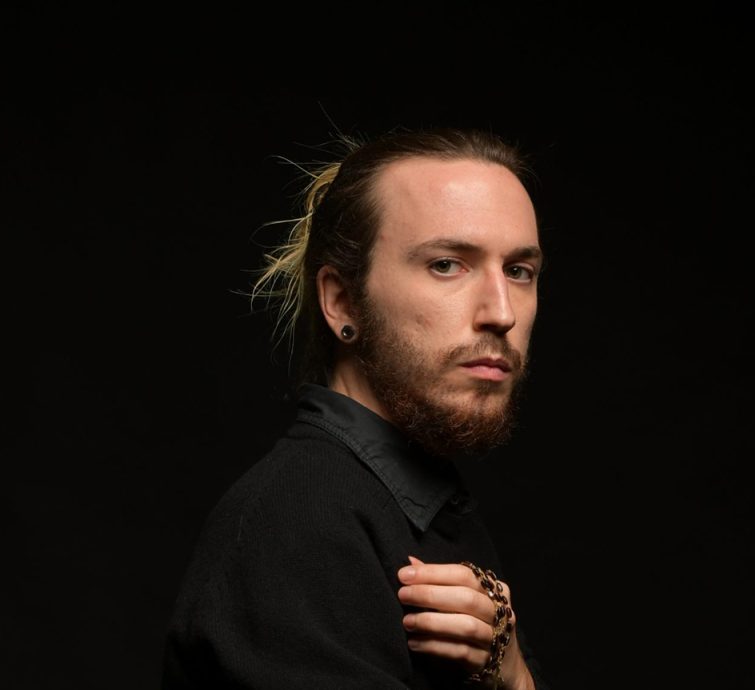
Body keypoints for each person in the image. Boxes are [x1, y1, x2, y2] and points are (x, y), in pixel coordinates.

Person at [162, 126, 551, 689]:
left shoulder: (418, 504)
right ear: (342, 301)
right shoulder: (297, 523)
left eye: (519, 271)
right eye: (447, 264)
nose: (502, 312)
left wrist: (512, 671)